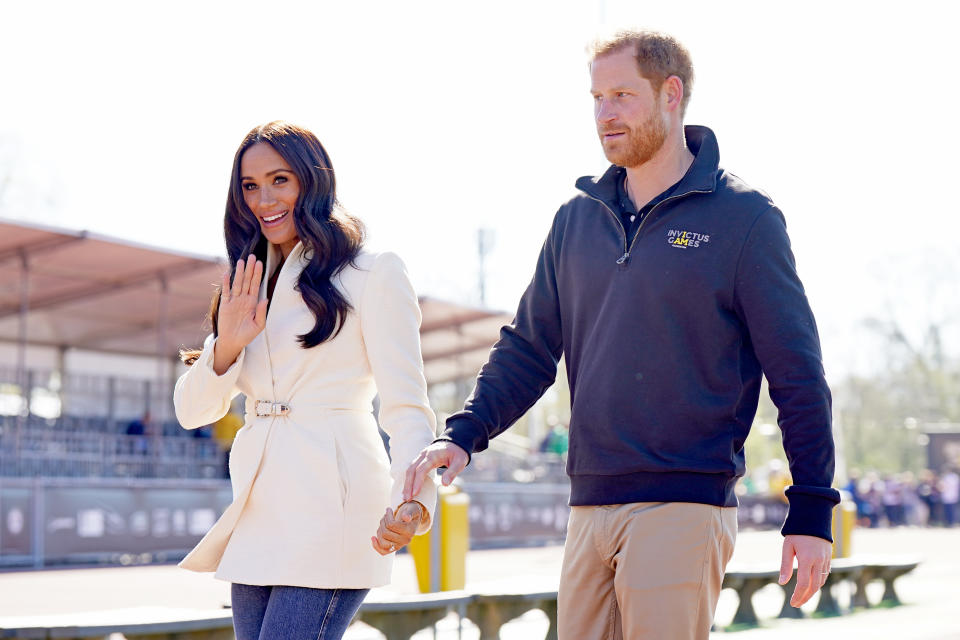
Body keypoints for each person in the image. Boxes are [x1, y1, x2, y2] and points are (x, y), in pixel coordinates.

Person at [403, 30, 840, 639]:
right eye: (596, 98)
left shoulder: (746, 219)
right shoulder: (576, 220)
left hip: (684, 503)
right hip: (588, 504)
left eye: (621, 96)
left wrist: (813, 507)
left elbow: (797, 374)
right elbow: (529, 347)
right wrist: (466, 434)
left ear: (671, 94)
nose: (604, 114)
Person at [173, 121, 437, 640]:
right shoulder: (246, 281)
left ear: (313, 183)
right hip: (258, 506)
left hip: (332, 504)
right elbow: (192, 412)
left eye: (280, 180)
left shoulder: (373, 271)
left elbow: (407, 407)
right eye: (250, 186)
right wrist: (227, 343)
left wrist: (415, 499)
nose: (264, 199)